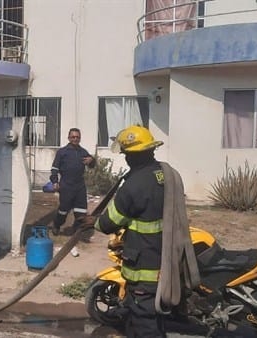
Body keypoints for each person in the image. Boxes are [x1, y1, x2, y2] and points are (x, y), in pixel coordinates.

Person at [92, 125, 166, 338]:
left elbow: (109, 223)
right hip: (164, 258)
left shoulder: (134, 186)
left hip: (144, 267)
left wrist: (93, 222)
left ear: (133, 156)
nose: (125, 159)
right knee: (149, 315)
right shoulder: (163, 173)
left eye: (126, 154)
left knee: (145, 321)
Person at [49, 128, 95, 236]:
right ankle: (56, 225)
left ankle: (76, 230)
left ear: (80, 138)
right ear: (69, 138)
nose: (75, 139)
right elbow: (54, 169)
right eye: (73, 137)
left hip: (79, 186)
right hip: (66, 185)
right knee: (63, 210)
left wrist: (92, 160)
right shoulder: (62, 152)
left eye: (77, 137)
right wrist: (55, 182)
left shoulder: (83, 152)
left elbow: (91, 164)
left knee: (81, 211)